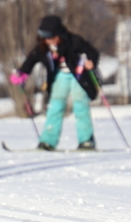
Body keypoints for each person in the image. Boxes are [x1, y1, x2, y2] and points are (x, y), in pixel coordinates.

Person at [11, 14, 100, 151]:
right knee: (55, 107)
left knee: (80, 106)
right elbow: (31, 60)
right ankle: (48, 141)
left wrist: (91, 62)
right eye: (45, 37)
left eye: (52, 37)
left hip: (79, 76)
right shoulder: (43, 47)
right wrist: (22, 73)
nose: (49, 41)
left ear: (60, 34)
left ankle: (87, 140)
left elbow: (92, 52)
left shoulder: (74, 41)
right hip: (60, 77)